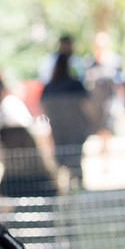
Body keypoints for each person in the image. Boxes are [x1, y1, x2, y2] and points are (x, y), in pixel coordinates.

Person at [38, 53, 94, 189]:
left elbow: (43, 107)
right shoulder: (74, 85)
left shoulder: (51, 87)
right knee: (75, 158)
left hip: (61, 129)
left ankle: (69, 187)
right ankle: (75, 186)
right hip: (73, 129)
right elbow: (87, 106)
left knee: (64, 158)